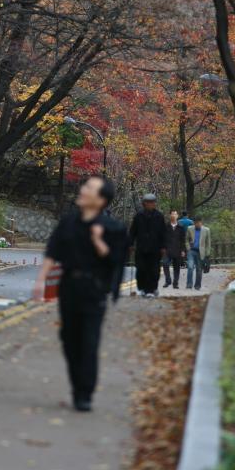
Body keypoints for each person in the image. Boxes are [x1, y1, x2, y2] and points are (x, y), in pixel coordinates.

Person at [33, 175, 127, 412]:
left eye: (89, 188)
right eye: (85, 186)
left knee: (89, 340)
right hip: (69, 288)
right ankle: (77, 385)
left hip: (94, 290)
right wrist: (40, 281)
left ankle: (84, 393)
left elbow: (117, 260)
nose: (83, 190)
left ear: (102, 200)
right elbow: (52, 251)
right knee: (69, 339)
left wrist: (98, 242)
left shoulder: (113, 228)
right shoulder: (68, 222)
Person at [128, 193, 166, 298]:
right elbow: (132, 232)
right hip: (141, 248)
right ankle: (142, 289)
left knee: (154, 270)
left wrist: (163, 246)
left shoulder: (159, 216)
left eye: (152, 202)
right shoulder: (138, 216)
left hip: (155, 248)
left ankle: (152, 289)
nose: (151, 204)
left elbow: (163, 233)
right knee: (141, 269)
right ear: (144, 204)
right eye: (148, 202)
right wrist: (130, 244)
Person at [185, 216, 211, 291]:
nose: (197, 224)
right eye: (195, 223)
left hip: (201, 252)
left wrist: (207, 254)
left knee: (199, 269)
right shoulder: (189, 229)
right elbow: (186, 240)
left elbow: (208, 243)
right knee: (190, 267)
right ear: (194, 223)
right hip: (191, 251)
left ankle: (197, 285)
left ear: (201, 222)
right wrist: (188, 248)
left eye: (198, 223)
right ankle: (189, 285)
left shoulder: (206, 230)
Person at [163, 209, 186, 289]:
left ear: (177, 216)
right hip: (168, 250)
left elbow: (183, 240)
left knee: (177, 268)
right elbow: (162, 238)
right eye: (172, 214)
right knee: (165, 264)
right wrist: (163, 248)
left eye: (175, 214)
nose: (173, 216)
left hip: (178, 250)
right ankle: (168, 280)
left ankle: (175, 283)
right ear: (170, 216)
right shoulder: (166, 226)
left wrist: (183, 250)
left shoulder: (181, 227)